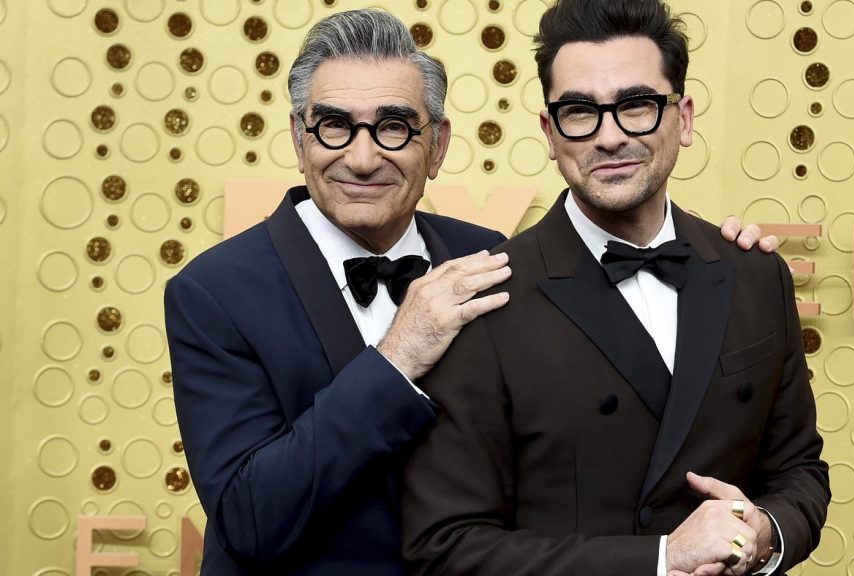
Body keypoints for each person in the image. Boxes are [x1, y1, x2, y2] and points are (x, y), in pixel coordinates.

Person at [165, 7, 776, 576]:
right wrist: (397, 358)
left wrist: (718, 257)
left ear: (437, 147)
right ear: (299, 140)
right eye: (333, 127)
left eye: (394, 127)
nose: (362, 156)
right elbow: (247, 520)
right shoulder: (213, 292)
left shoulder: (488, 255)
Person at [401, 1, 829, 575]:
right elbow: (447, 546)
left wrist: (765, 533)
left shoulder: (756, 273)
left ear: (685, 118)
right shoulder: (485, 300)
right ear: (550, 133)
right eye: (580, 112)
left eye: (636, 105)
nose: (609, 137)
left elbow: (799, 471)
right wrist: (659, 559)